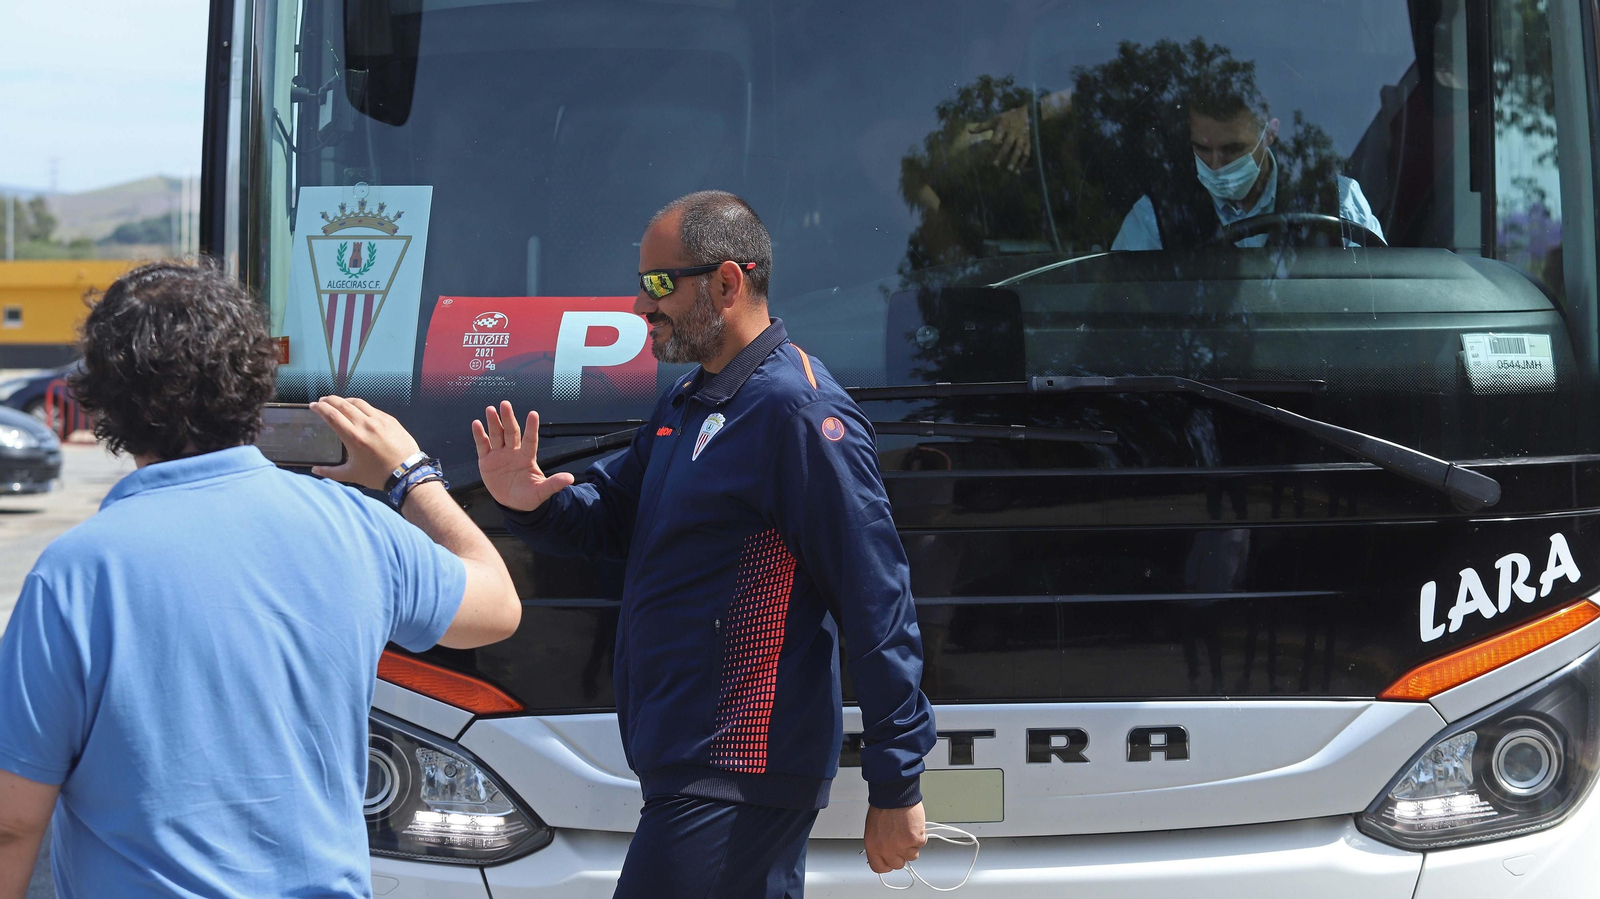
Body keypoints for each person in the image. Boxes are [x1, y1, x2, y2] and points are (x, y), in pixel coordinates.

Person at [0, 261, 520, 899]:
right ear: (255, 379)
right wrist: (410, 474)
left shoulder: (75, 573)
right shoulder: (356, 528)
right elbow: (498, 605)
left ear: (105, 399)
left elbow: (14, 820)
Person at [475, 190, 937, 898]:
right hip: (689, 766)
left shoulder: (799, 412)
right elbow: (616, 516)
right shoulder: (688, 401)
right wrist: (533, 503)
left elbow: (877, 598)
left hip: (738, 771)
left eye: (659, 284)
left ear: (727, 282)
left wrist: (896, 781)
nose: (640, 306)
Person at [971, 74, 1385, 250]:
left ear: (1269, 133)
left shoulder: (1337, 201)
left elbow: (1375, 305)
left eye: (1233, 150)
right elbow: (1120, 318)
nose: (1217, 164)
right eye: (1202, 149)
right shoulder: (1155, 219)